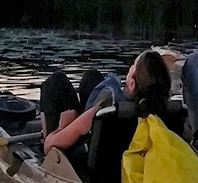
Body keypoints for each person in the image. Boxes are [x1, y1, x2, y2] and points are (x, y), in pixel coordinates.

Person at [40, 50, 172, 155]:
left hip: (86, 164)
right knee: (92, 76)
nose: (129, 67)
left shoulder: (104, 112)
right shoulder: (168, 111)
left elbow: (49, 146)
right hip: (125, 155)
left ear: (132, 84)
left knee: (55, 82)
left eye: (133, 66)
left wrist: (63, 127)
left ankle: (48, 140)